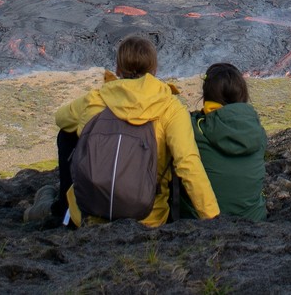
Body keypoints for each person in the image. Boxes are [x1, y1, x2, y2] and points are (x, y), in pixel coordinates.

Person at [27, 35, 220, 227]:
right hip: (148, 218)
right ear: (154, 69)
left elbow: (60, 118)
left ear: (118, 69)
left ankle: (62, 207)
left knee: (66, 134)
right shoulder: (170, 107)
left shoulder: (97, 99)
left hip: (89, 214)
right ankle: (58, 205)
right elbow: (188, 164)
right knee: (175, 152)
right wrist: (213, 220)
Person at [180, 63, 267, 221]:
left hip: (201, 223)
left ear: (207, 96)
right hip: (254, 220)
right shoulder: (258, 132)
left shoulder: (192, 129)